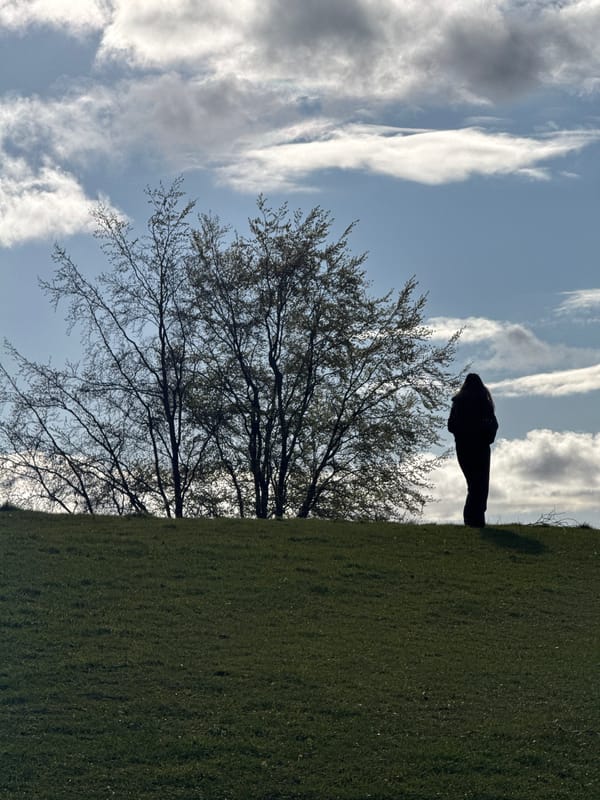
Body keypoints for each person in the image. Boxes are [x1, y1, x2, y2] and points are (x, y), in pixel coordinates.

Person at [448, 373, 498, 528]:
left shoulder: (458, 402)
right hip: (481, 448)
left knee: (473, 483)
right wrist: (485, 437)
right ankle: (476, 519)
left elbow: (451, 426)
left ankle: (471, 519)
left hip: (463, 448)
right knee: (480, 484)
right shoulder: (484, 402)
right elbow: (493, 425)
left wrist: (462, 435)